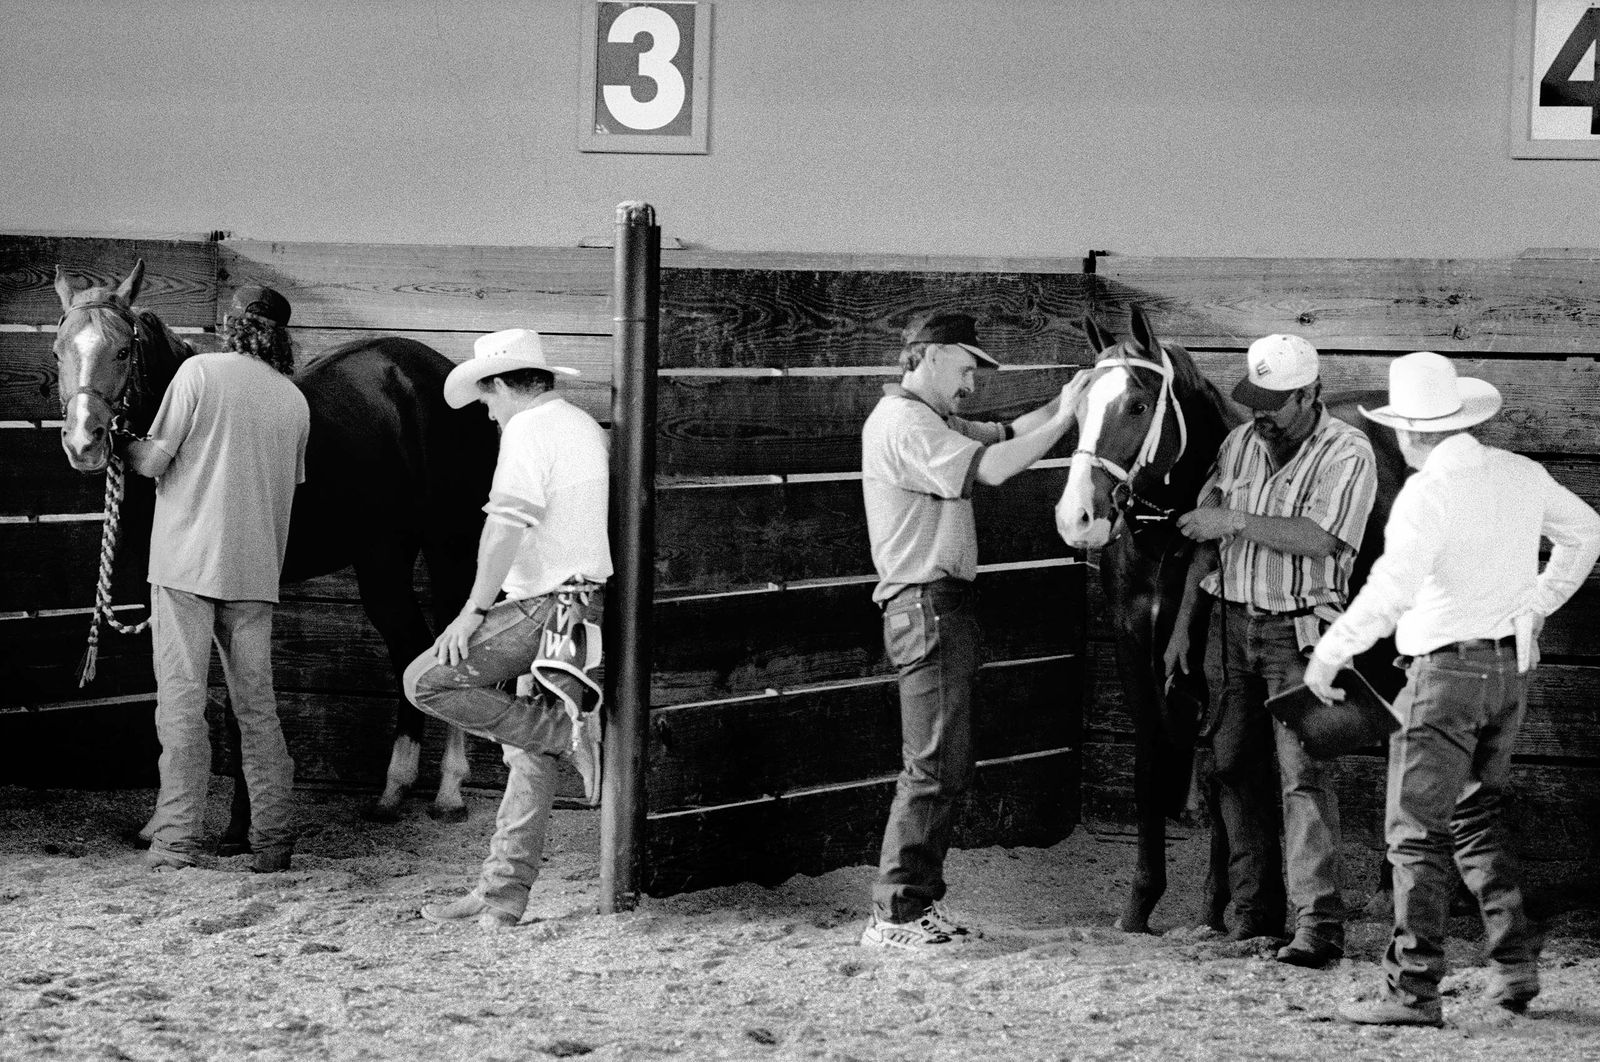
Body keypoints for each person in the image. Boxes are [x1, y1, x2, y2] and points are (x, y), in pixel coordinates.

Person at [1304, 352, 1600, 1026]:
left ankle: (1412, 990)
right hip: (1508, 672)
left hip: (1443, 678)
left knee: (1414, 836)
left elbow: (1391, 589)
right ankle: (1514, 961)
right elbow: (1587, 531)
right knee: (1475, 815)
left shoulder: (1426, 492)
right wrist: (1537, 604)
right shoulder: (1520, 473)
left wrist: (1331, 652)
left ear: (1409, 431)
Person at [858, 311, 1095, 950]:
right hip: (927, 605)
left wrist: (1069, 401)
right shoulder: (905, 423)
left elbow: (1011, 432)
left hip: (940, 607)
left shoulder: (931, 418)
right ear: (931, 356)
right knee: (933, 767)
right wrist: (1068, 420)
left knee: (945, 763)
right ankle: (896, 915)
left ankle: (913, 905)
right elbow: (992, 468)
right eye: (966, 369)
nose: (971, 384)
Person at [1164, 333, 1377, 967]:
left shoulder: (1348, 451)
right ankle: (1254, 915)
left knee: (1303, 778)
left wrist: (1233, 521)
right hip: (1231, 626)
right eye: (1254, 400)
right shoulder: (1237, 445)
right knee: (1232, 767)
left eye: (1276, 403)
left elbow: (1321, 538)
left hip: (1302, 633)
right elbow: (1206, 540)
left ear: (1311, 394)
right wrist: (1183, 626)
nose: (1261, 413)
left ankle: (1318, 925)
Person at [403, 327, 612, 930]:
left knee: (425, 681)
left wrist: (472, 609)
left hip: (545, 607)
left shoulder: (529, 429)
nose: (488, 413)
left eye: (486, 398)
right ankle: (502, 895)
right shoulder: (580, 425)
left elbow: (504, 527)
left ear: (500, 384)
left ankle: (565, 733)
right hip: (577, 611)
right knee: (526, 756)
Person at [125, 286, 310, 873]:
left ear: (232, 326)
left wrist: (122, 441)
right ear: (281, 336)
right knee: (257, 709)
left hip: (184, 563)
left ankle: (176, 840)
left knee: (181, 705)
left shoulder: (199, 372)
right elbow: (287, 483)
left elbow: (154, 462)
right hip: (255, 572)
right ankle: (273, 841)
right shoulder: (294, 399)